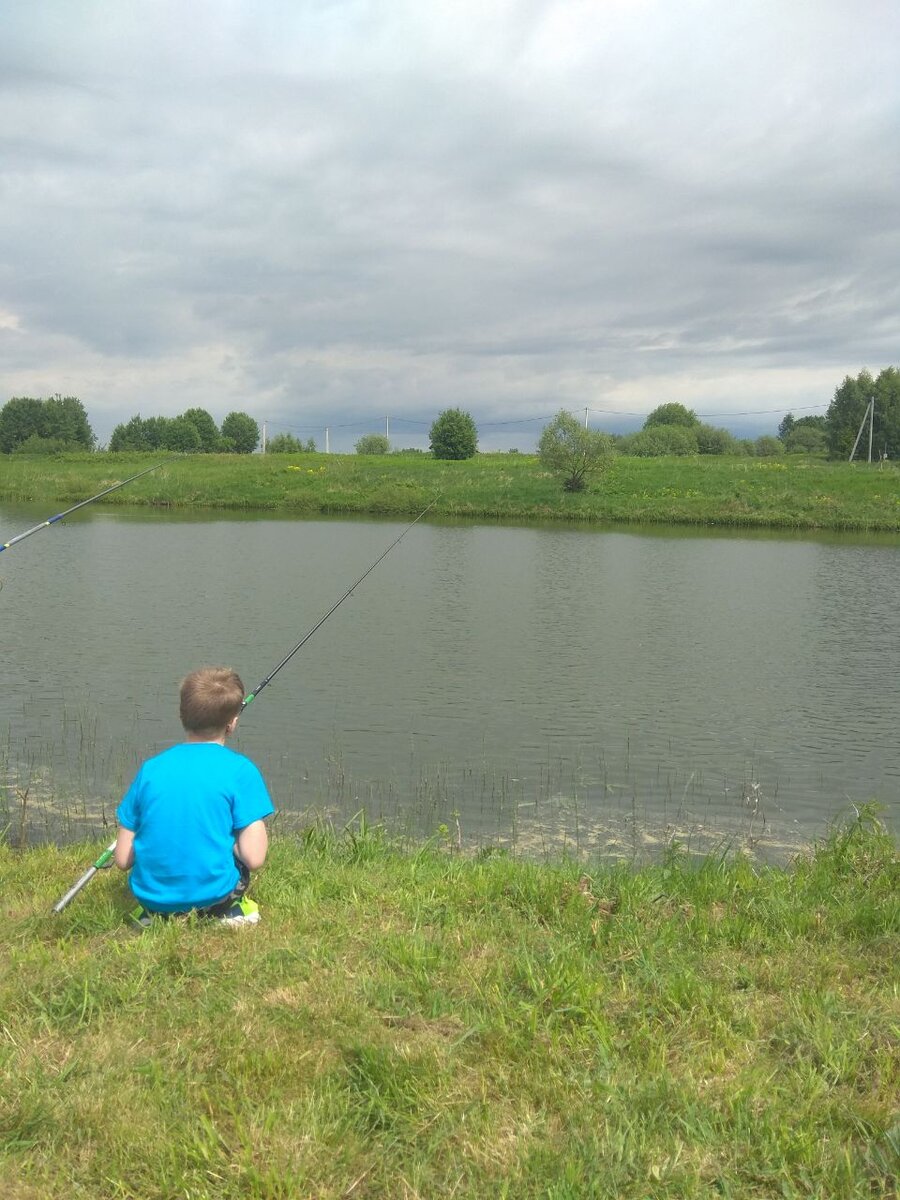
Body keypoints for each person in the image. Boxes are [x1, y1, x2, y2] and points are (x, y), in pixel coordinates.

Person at [114, 667, 274, 927]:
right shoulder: (241, 770)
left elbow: (122, 860)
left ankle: (157, 917)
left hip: (152, 902)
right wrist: (229, 841)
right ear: (232, 723)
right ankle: (228, 914)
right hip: (214, 901)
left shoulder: (150, 770)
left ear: (181, 716)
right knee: (237, 841)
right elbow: (255, 859)